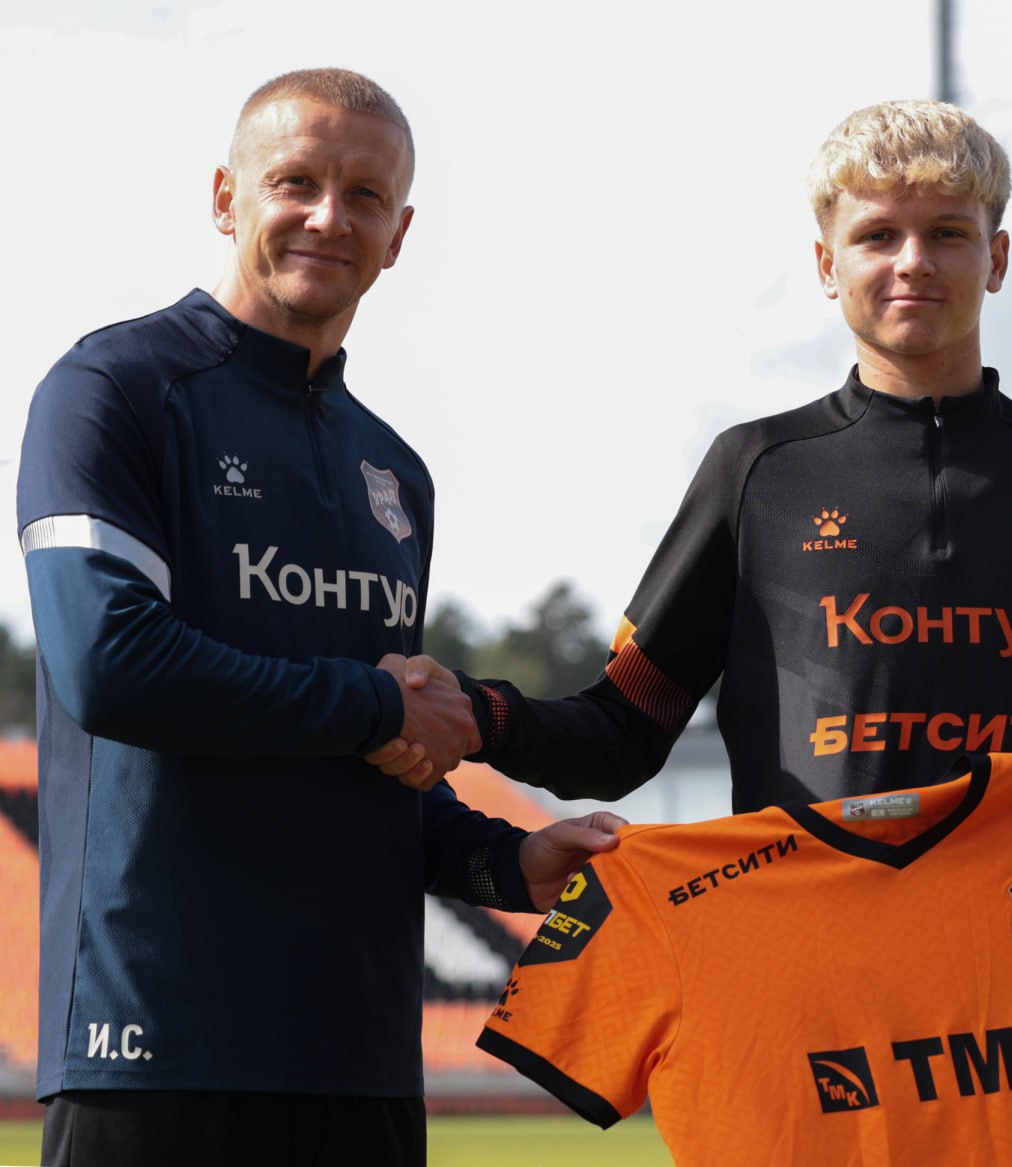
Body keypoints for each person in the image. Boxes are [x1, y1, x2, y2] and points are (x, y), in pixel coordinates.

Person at [17, 68, 621, 1167]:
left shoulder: (393, 470)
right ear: (225, 196)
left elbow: (375, 759)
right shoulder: (114, 388)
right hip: (157, 1045)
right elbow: (110, 665)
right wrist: (376, 704)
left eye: (364, 195)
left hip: (358, 1062)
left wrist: (507, 861)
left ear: (399, 235)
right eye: (295, 182)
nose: (328, 217)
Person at [370, 99, 1012, 830]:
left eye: (947, 233)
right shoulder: (757, 470)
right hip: (819, 951)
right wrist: (484, 715)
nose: (913, 262)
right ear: (827, 264)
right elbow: (623, 729)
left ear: (996, 259)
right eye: (878, 236)